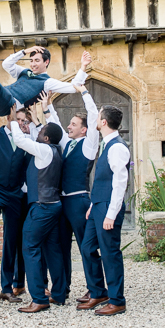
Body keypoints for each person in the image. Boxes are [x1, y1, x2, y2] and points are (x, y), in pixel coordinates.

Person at [40, 52, 102, 304]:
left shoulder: (89, 146)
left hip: (78, 202)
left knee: (87, 248)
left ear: (84, 129)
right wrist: (47, 107)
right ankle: (61, 291)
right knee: (60, 248)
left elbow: (94, 116)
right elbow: (55, 124)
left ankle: (95, 289)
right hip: (61, 202)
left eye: (74, 124)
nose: (69, 126)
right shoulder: (67, 144)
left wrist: (84, 91)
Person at [78, 105, 130, 316]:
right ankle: (98, 291)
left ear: (104, 122)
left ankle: (117, 300)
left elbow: (120, 182)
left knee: (110, 253)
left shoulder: (117, 147)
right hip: (98, 206)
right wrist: (93, 205)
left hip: (109, 208)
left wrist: (111, 213)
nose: (96, 120)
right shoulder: (106, 144)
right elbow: (103, 180)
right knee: (87, 248)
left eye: (98, 116)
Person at [12, 120, 67, 313]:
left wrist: (12, 119)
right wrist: (31, 126)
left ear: (46, 138)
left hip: (41, 207)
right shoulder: (55, 150)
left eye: (41, 130)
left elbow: (19, 140)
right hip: (53, 206)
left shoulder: (44, 150)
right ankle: (59, 294)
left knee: (30, 247)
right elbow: (31, 138)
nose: (38, 132)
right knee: (52, 250)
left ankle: (38, 298)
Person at [0, 109, 33, 302]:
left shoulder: (25, 140)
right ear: (8, 118)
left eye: (23, 121)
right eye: (17, 119)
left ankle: (7, 288)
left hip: (14, 194)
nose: (20, 123)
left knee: (11, 240)